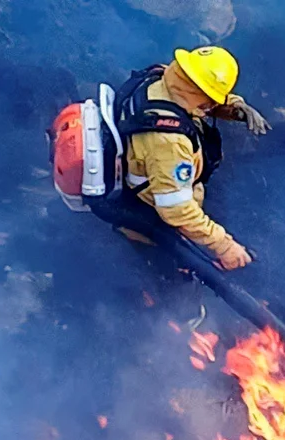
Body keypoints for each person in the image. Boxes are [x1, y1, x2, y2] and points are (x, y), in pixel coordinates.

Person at [95, 46, 271, 271]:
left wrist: (235, 107)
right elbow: (176, 209)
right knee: (178, 291)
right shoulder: (169, 143)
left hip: (147, 178)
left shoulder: (160, 79)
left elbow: (192, 96)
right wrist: (224, 246)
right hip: (151, 224)